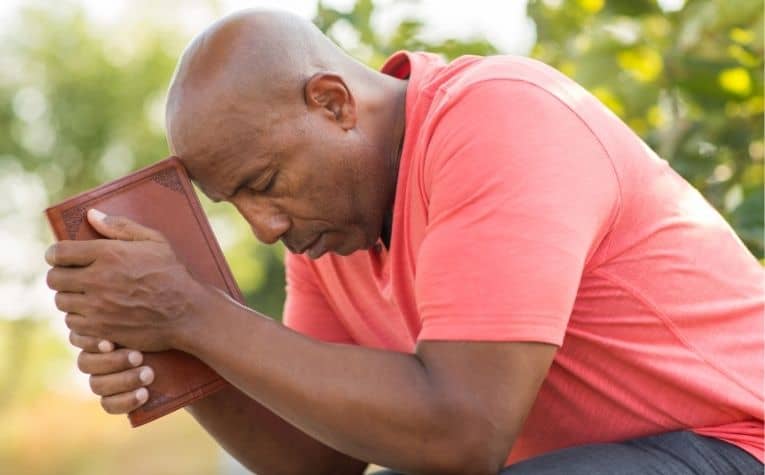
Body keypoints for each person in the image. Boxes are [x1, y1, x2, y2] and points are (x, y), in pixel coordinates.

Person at [44, 9, 764, 475]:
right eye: (234, 203)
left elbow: (462, 430)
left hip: (735, 443)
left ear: (332, 103)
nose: (264, 228)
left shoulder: (498, 120)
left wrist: (196, 312)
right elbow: (316, 460)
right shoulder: (330, 230)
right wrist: (178, 349)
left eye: (263, 181)